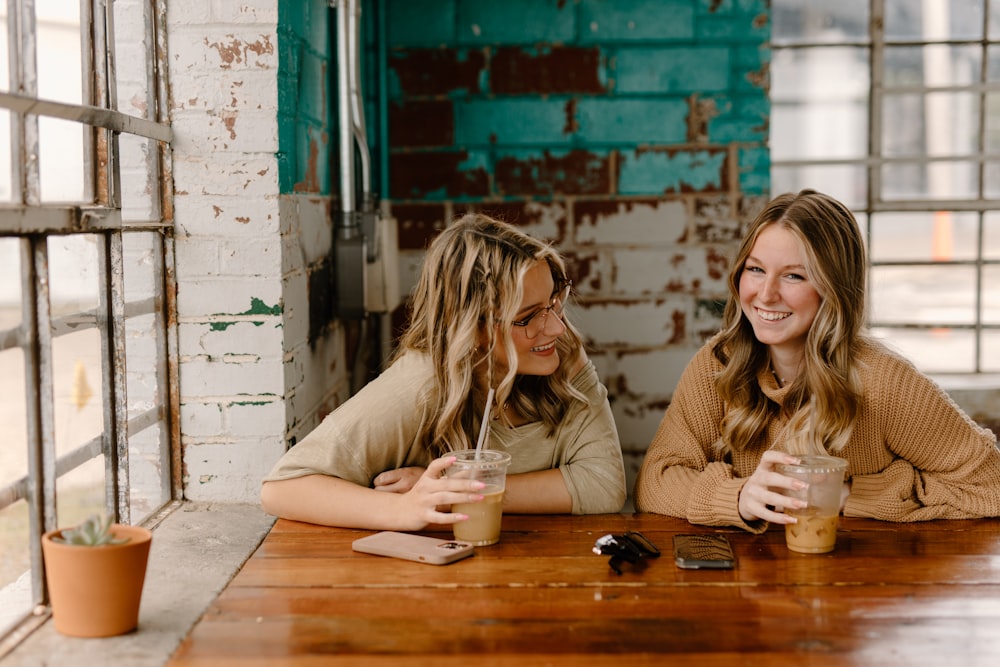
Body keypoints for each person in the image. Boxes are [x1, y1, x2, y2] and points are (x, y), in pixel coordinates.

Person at [634, 189, 1000, 532]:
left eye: (793, 276)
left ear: (833, 288)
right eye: (756, 269)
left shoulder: (885, 382)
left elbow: (991, 484)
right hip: (748, 588)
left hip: (864, 583)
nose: (766, 294)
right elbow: (654, 481)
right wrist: (740, 496)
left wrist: (851, 494)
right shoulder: (718, 364)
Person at [261, 213, 627, 530]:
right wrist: (400, 508)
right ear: (474, 328)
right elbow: (283, 488)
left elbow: (605, 485)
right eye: (528, 317)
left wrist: (462, 489)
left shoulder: (561, 357)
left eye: (554, 302)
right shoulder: (419, 386)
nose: (556, 328)